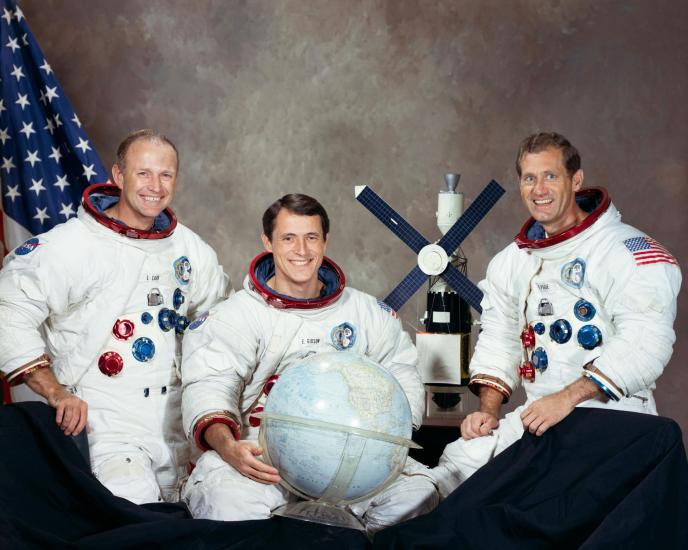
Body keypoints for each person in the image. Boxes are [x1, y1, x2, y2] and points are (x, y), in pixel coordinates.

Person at [433, 132, 682, 497]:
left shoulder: (628, 251)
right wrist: (488, 410)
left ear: (575, 180)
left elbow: (646, 344)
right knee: (459, 463)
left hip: (615, 417)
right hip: (539, 415)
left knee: (557, 497)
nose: (539, 189)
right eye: (529, 178)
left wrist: (566, 399)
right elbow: (500, 338)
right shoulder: (512, 262)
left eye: (550, 176)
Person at [181, 193, 438, 533]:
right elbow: (209, 386)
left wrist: (382, 448)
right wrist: (230, 449)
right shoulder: (237, 316)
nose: (301, 250)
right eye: (288, 238)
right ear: (267, 242)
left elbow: (401, 372)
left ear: (325, 241)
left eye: (311, 237)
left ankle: (357, 542)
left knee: (418, 494)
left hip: (352, 461)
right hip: (261, 458)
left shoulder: (366, 314)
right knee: (228, 502)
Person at [0, 129, 230, 504]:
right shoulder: (72, 245)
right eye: (143, 173)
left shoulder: (188, 247)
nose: (155, 186)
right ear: (119, 176)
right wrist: (55, 392)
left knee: (215, 512)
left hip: (178, 420)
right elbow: (8, 307)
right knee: (132, 511)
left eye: (166, 175)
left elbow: (221, 321)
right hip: (106, 423)